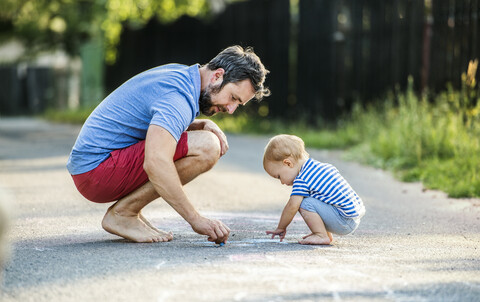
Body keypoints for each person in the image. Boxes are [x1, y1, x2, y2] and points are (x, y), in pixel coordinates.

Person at [67, 45, 270, 244]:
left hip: (93, 166)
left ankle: (129, 210)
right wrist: (195, 219)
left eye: (238, 104)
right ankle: (124, 213)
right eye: (233, 98)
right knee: (208, 146)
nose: (231, 109)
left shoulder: (182, 75)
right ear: (217, 76)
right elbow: (156, 161)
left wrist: (201, 123)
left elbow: (157, 120)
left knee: (201, 137)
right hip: (96, 172)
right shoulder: (178, 97)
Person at [263, 134, 365, 245]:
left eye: (278, 176)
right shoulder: (318, 167)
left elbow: (292, 206)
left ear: (288, 163)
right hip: (352, 218)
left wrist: (281, 227)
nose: (282, 182)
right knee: (313, 197)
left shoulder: (302, 178)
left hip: (343, 222)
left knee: (303, 203)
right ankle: (325, 234)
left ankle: (321, 235)